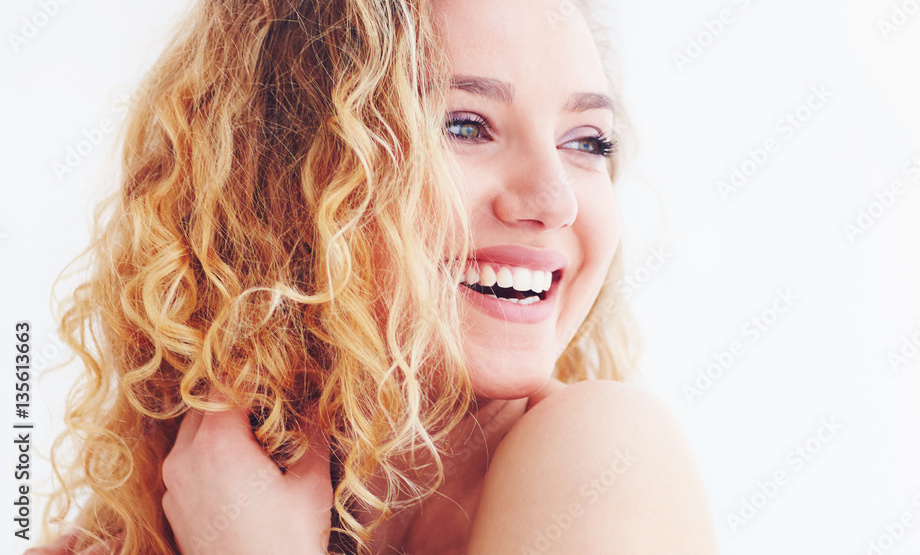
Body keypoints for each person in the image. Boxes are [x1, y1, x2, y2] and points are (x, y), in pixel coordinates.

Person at [28, 0, 718, 553]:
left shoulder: (607, 450)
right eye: (468, 126)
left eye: (586, 142)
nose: (555, 199)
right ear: (289, 173)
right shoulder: (163, 521)